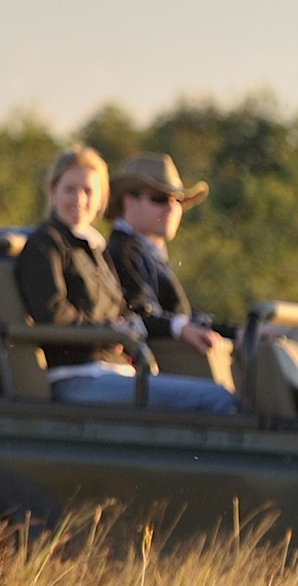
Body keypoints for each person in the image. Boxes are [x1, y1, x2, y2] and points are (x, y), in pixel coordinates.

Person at [14, 147, 237, 413]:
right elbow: (53, 313)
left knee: (223, 393)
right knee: (217, 399)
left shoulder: (95, 248)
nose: (79, 200)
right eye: (70, 189)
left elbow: (122, 308)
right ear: (53, 191)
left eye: (88, 191)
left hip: (115, 369)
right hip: (77, 375)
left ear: (101, 200)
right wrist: (109, 332)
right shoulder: (46, 243)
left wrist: (127, 327)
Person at [105, 153, 233, 360]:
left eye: (178, 200)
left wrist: (240, 332)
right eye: (159, 199)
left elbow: (182, 317)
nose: (172, 207)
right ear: (129, 202)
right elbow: (141, 315)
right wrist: (181, 328)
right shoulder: (121, 252)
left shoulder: (146, 252)